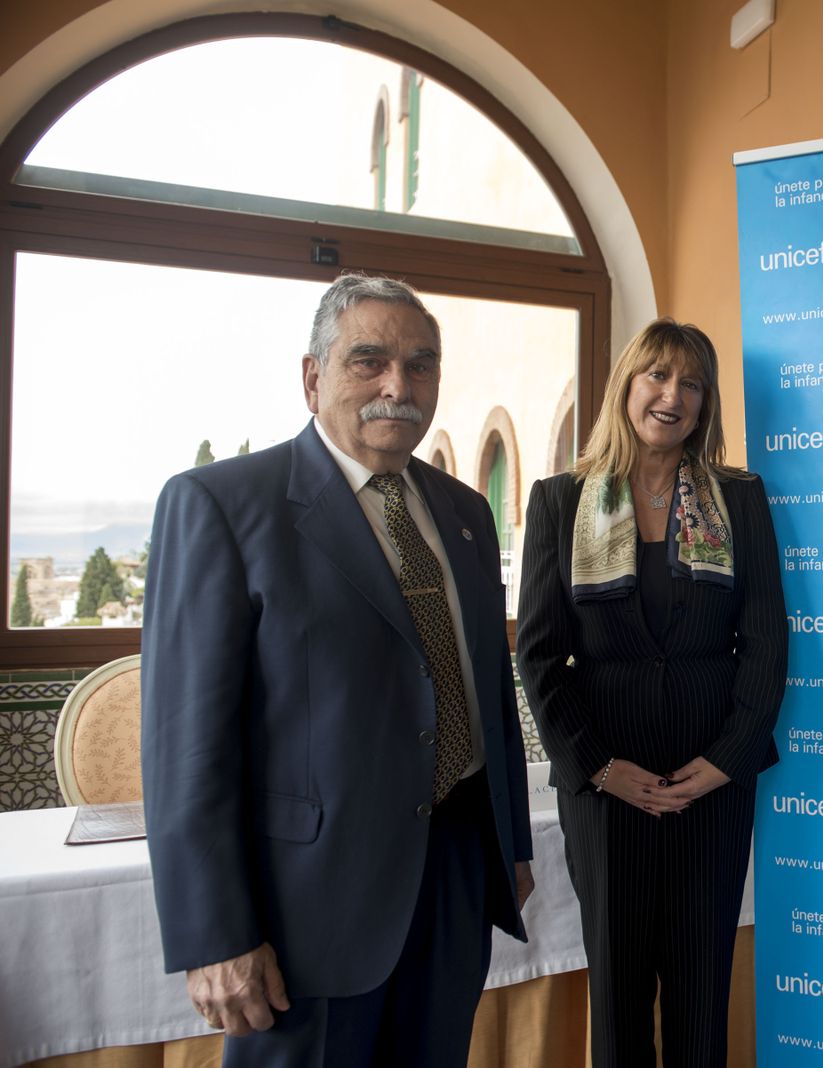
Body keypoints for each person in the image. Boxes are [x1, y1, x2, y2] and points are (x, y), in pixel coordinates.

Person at [142, 274, 535, 1067]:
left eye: (421, 364)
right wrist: (216, 933)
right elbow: (187, 745)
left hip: (453, 877)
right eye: (370, 361)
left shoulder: (464, 512)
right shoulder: (221, 505)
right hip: (306, 911)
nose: (400, 385)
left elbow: (486, 684)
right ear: (313, 376)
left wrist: (511, 846)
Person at [516, 318, 787, 1066]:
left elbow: (765, 638)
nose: (673, 396)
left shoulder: (739, 498)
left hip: (713, 786)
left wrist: (728, 759)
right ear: (626, 387)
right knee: (620, 996)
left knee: (703, 992)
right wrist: (600, 768)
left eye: (692, 383)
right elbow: (538, 656)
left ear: (708, 403)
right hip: (606, 790)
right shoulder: (560, 501)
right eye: (658, 377)